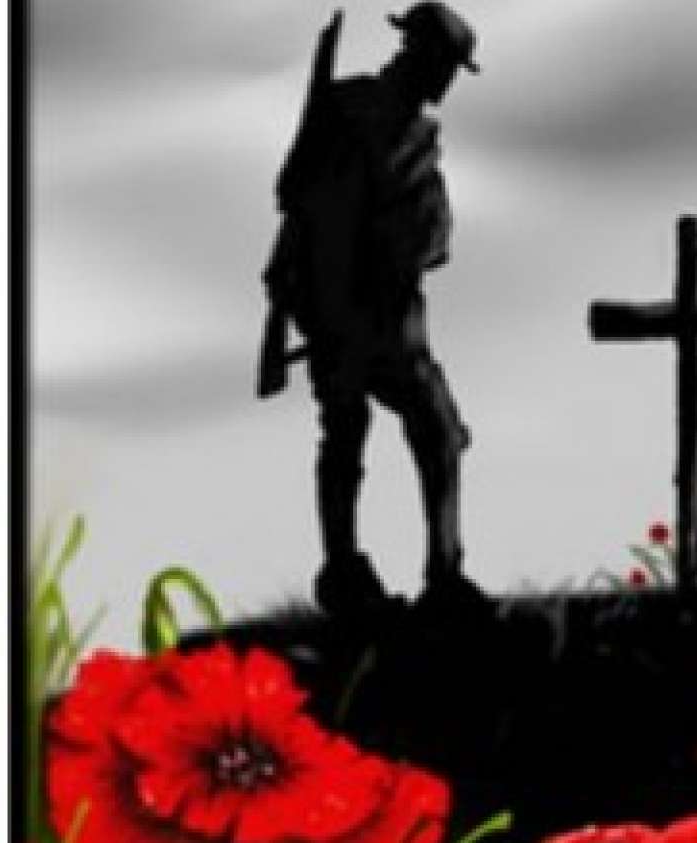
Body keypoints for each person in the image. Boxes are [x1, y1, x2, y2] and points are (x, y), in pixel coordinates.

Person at [260, 2, 486, 616]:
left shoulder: (418, 133)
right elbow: (301, 200)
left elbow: (430, 222)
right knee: (346, 433)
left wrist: (428, 232)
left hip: (395, 314)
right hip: (341, 307)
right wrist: (297, 292)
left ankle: (445, 573)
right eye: (445, 65)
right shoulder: (346, 109)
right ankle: (343, 569)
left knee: (437, 429)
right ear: (419, 53)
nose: (447, 82)